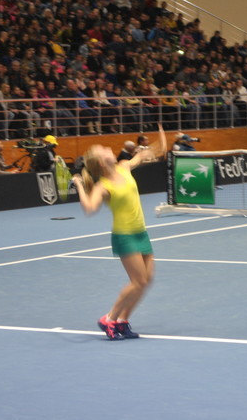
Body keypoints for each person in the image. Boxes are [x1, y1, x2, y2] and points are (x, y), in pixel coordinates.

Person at [72, 125, 167, 340]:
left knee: (146, 280)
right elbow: (89, 208)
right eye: (104, 150)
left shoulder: (124, 166)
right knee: (138, 281)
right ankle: (108, 318)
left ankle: (122, 321)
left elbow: (149, 153)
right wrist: (79, 185)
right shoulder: (103, 186)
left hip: (141, 232)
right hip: (125, 237)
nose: (109, 149)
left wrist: (159, 140)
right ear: (101, 162)